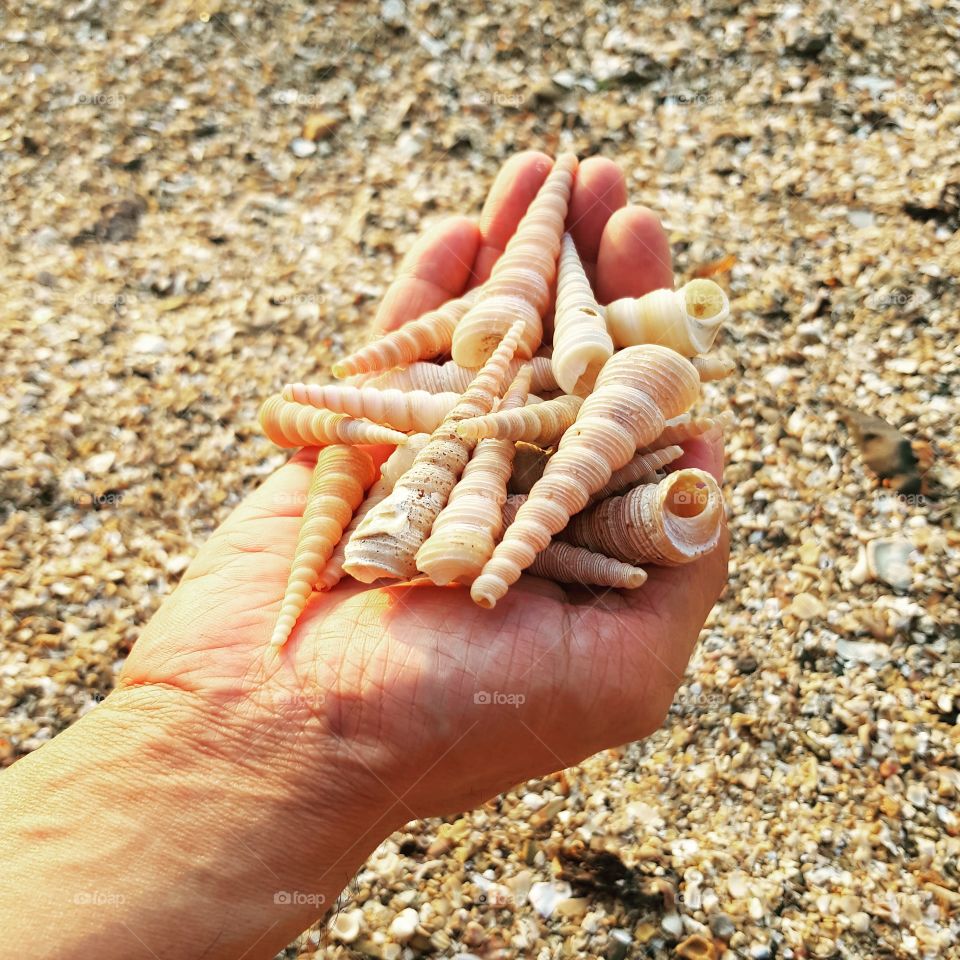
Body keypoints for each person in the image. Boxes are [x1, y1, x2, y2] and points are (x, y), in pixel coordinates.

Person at [0, 152, 728, 959]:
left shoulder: (527, 407)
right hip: (477, 430)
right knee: (491, 449)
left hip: (508, 424)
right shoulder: (464, 405)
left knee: (507, 456)